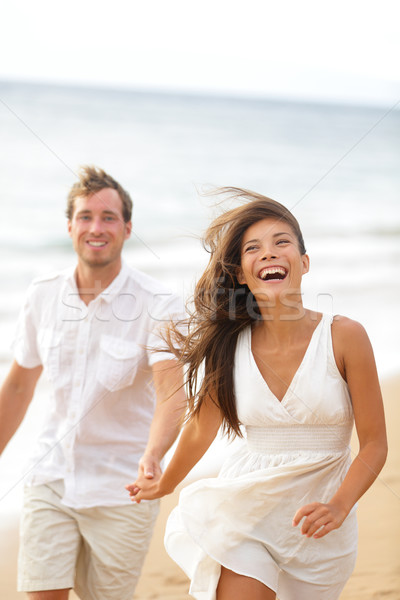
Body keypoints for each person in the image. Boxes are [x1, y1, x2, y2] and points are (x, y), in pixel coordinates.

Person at [126, 187, 388, 600]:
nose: (268, 253)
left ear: (303, 262)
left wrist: (339, 505)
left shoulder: (345, 337)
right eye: (253, 248)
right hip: (245, 507)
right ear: (240, 273)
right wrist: (165, 483)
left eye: (281, 242)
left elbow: (375, 444)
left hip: (318, 520)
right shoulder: (231, 347)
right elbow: (200, 428)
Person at [0, 166, 186, 600]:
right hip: (51, 476)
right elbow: (18, 387)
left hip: (123, 488)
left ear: (127, 228)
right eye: (85, 216)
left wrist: (154, 455)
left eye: (108, 218)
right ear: (69, 226)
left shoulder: (158, 304)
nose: (96, 228)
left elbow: (172, 396)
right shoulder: (41, 294)